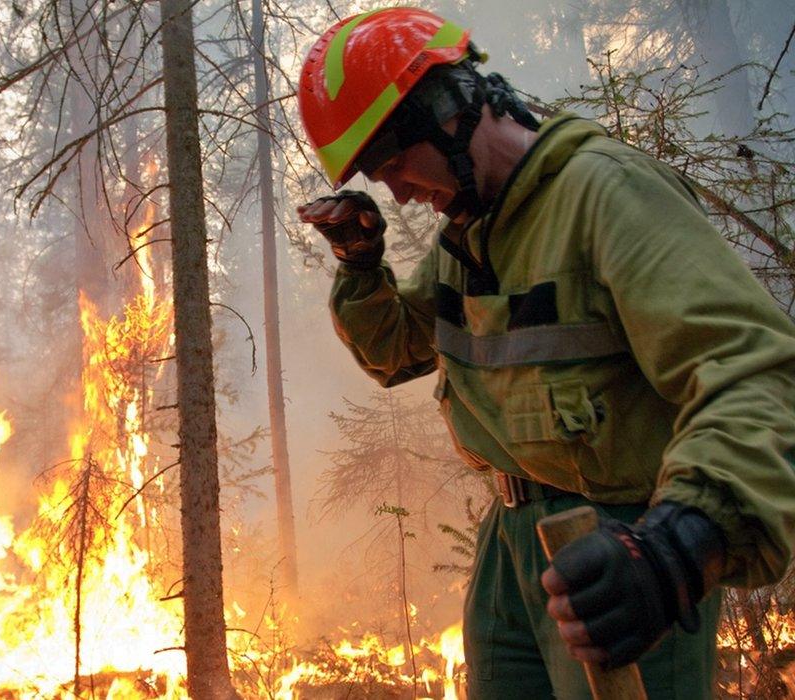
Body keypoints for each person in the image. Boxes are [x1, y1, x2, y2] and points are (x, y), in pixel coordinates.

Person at [296, 7, 795, 699]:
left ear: (450, 112)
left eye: (393, 162)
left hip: (619, 545)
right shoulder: (472, 232)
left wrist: (677, 547)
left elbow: (755, 373)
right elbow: (398, 351)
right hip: (511, 549)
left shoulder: (606, 193)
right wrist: (359, 261)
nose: (400, 192)